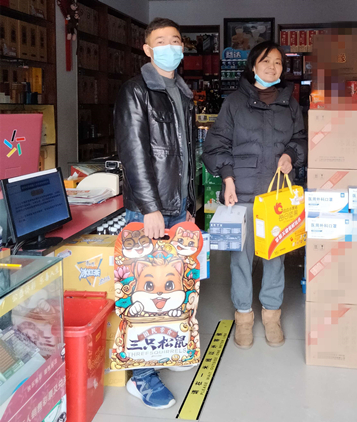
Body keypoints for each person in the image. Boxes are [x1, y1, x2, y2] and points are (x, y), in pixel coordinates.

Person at [114, 17, 196, 410]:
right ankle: (142, 378)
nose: (169, 47)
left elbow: (186, 157)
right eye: (160, 41)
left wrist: (190, 206)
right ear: (147, 50)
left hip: (178, 207)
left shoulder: (183, 92)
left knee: (173, 287)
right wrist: (149, 207)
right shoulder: (135, 91)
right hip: (151, 209)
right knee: (145, 293)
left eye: (175, 40)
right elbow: (133, 153)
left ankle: (165, 351)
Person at [202, 41, 307, 350]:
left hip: (277, 195)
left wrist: (291, 154)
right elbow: (216, 145)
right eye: (265, 61)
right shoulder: (234, 102)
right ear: (253, 66)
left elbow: (301, 139)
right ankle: (244, 316)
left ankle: (272, 315)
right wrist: (227, 178)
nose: (272, 67)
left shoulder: (290, 104)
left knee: (275, 256)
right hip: (243, 193)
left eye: (277, 62)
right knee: (241, 259)